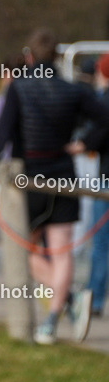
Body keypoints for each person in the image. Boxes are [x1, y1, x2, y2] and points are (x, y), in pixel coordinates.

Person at [0, 30, 109, 344]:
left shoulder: (19, 90)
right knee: (60, 249)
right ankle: (53, 319)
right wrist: (83, 144)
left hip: (31, 177)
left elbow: (0, 137)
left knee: (22, 249)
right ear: (54, 57)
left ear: (28, 57)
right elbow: (105, 119)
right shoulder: (72, 91)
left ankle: (63, 301)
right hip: (64, 175)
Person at [83, 53, 109, 317]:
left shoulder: (103, 102)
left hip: (107, 179)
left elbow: (93, 139)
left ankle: (95, 297)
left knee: (101, 242)